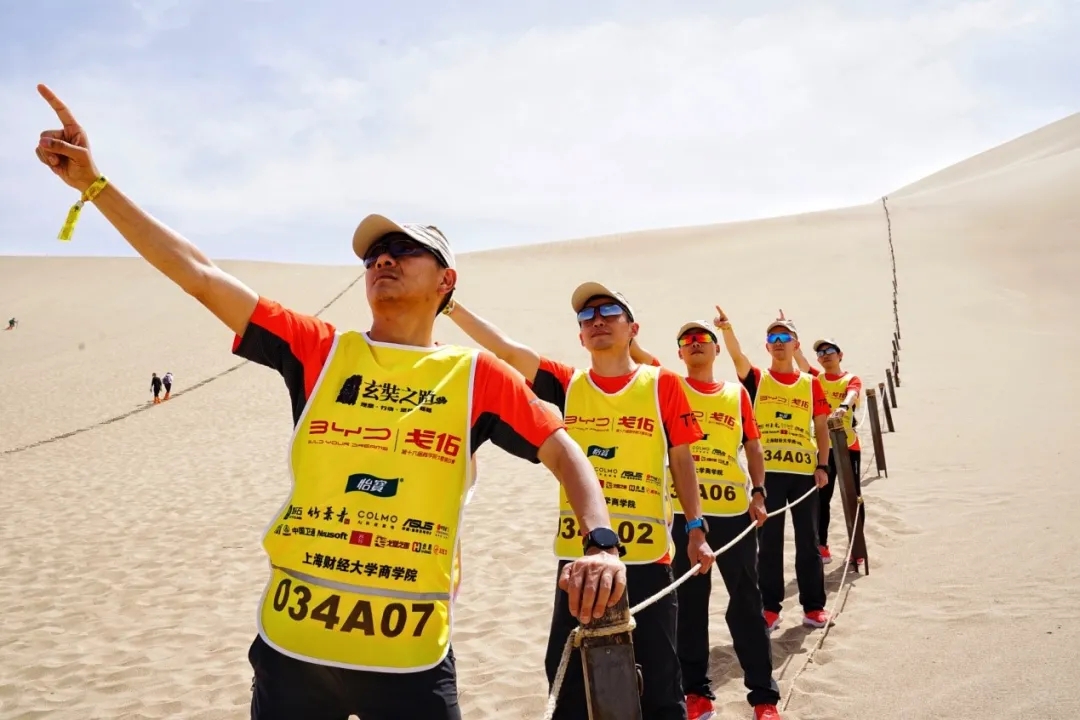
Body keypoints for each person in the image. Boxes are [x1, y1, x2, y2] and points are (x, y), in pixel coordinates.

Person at [33, 83, 629, 720]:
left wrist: (600, 542)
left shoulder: (476, 375)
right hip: (294, 650)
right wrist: (95, 186)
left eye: (404, 250)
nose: (382, 260)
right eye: (373, 255)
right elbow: (200, 275)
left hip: (410, 659)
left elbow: (564, 450)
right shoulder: (320, 351)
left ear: (446, 280)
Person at [444, 284, 715, 720]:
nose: (597, 321)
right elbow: (507, 351)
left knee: (661, 685)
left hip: (647, 558)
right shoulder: (569, 383)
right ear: (580, 336)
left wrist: (696, 529)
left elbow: (682, 461)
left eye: (609, 312)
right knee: (567, 677)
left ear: (633, 329)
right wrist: (451, 306)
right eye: (587, 317)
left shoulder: (661, 383)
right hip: (579, 561)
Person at [631, 321, 782, 720]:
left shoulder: (736, 394)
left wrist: (759, 492)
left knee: (747, 603)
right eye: (687, 340)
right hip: (685, 514)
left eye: (703, 339)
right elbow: (635, 353)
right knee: (689, 607)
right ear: (679, 353)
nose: (695, 344)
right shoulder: (670, 386)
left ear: (717, 350)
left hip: (733, 514)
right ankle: (696, 691)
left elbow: (753, 445)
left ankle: (764, 697)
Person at [713, 306, 831, 632]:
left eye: (785, 337)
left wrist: (823, 465)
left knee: (809, 542)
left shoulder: (811, 383)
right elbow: (737, 357)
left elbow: (822, 427)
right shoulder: (757, 378)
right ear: (767, 346)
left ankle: (814, 606)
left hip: (804, 473)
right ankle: (770, 608)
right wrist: (726, 329)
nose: (779, 343)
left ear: (796, 344)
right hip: (767, 475)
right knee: (769, 544)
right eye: (773, 338)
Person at [795, 338, 863, 564]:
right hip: (823, 448)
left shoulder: (850, 379)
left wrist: (843, 407)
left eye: (829, 350)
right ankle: (822, 546)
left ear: (840, 355)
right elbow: (801, 362)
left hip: (848, 447)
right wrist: (794, 343)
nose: (825, 355)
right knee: (821, 498)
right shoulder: (816, 379)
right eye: (820, 353)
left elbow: (853, 393)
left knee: (854, 498)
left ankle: (857, 547)